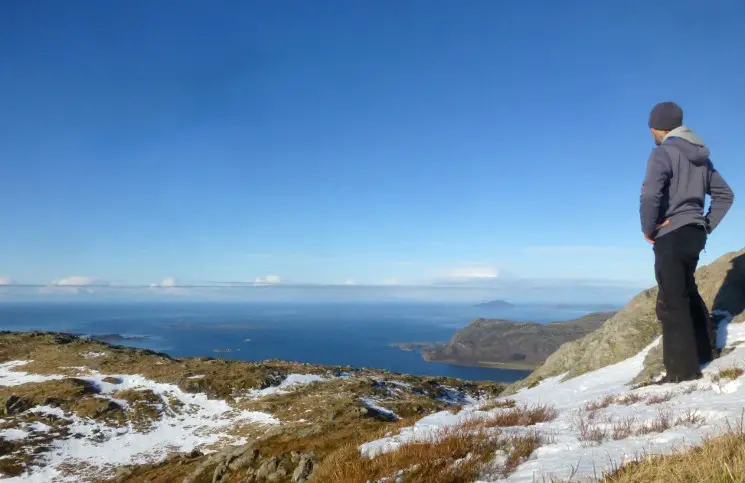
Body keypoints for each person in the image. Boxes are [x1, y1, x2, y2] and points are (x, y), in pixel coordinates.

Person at [640, 101, 734, 383]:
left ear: (658, 127)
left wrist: (649, 228)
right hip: (694, 234)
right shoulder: (702, 159)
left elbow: (650, 196)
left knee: (672, 301)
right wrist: (705, 225)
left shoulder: (662, 154)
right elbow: (725, 195)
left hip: (670, 234)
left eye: (651, 128)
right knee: (686, 289)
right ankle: (705, 350)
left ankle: (681, 373)